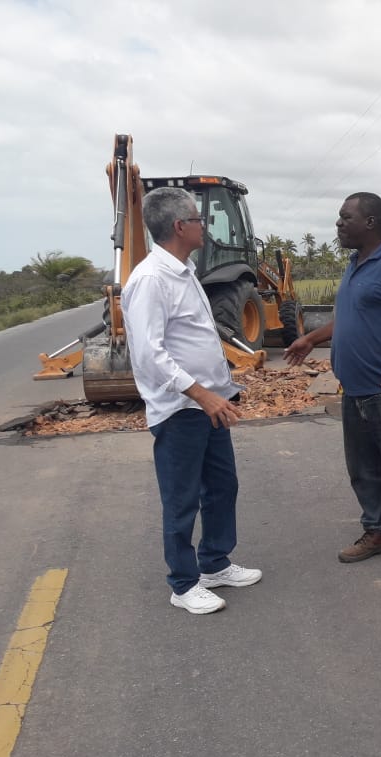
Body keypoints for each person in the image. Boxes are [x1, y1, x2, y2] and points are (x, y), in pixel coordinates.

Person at [122, 187, 261, 615]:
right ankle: (183, 584)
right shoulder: (150, 280)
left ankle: (214, 563)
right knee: (182, 498)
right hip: (182, 409)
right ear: (181, 226)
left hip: (210, 403)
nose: (204, 228)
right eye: (199, 221)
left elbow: (195, 339)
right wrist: (201, 394)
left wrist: (220, 390)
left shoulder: (183, 272)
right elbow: (149, 354)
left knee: (222, 487)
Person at [284, 192, 381, 571]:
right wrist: (311, 339)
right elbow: (351, 319)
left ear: (370, 222)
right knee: (363, 469)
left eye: (345, 217)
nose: (338, 224)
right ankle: (379, 532)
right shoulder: (355, 264)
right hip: (354, 390)